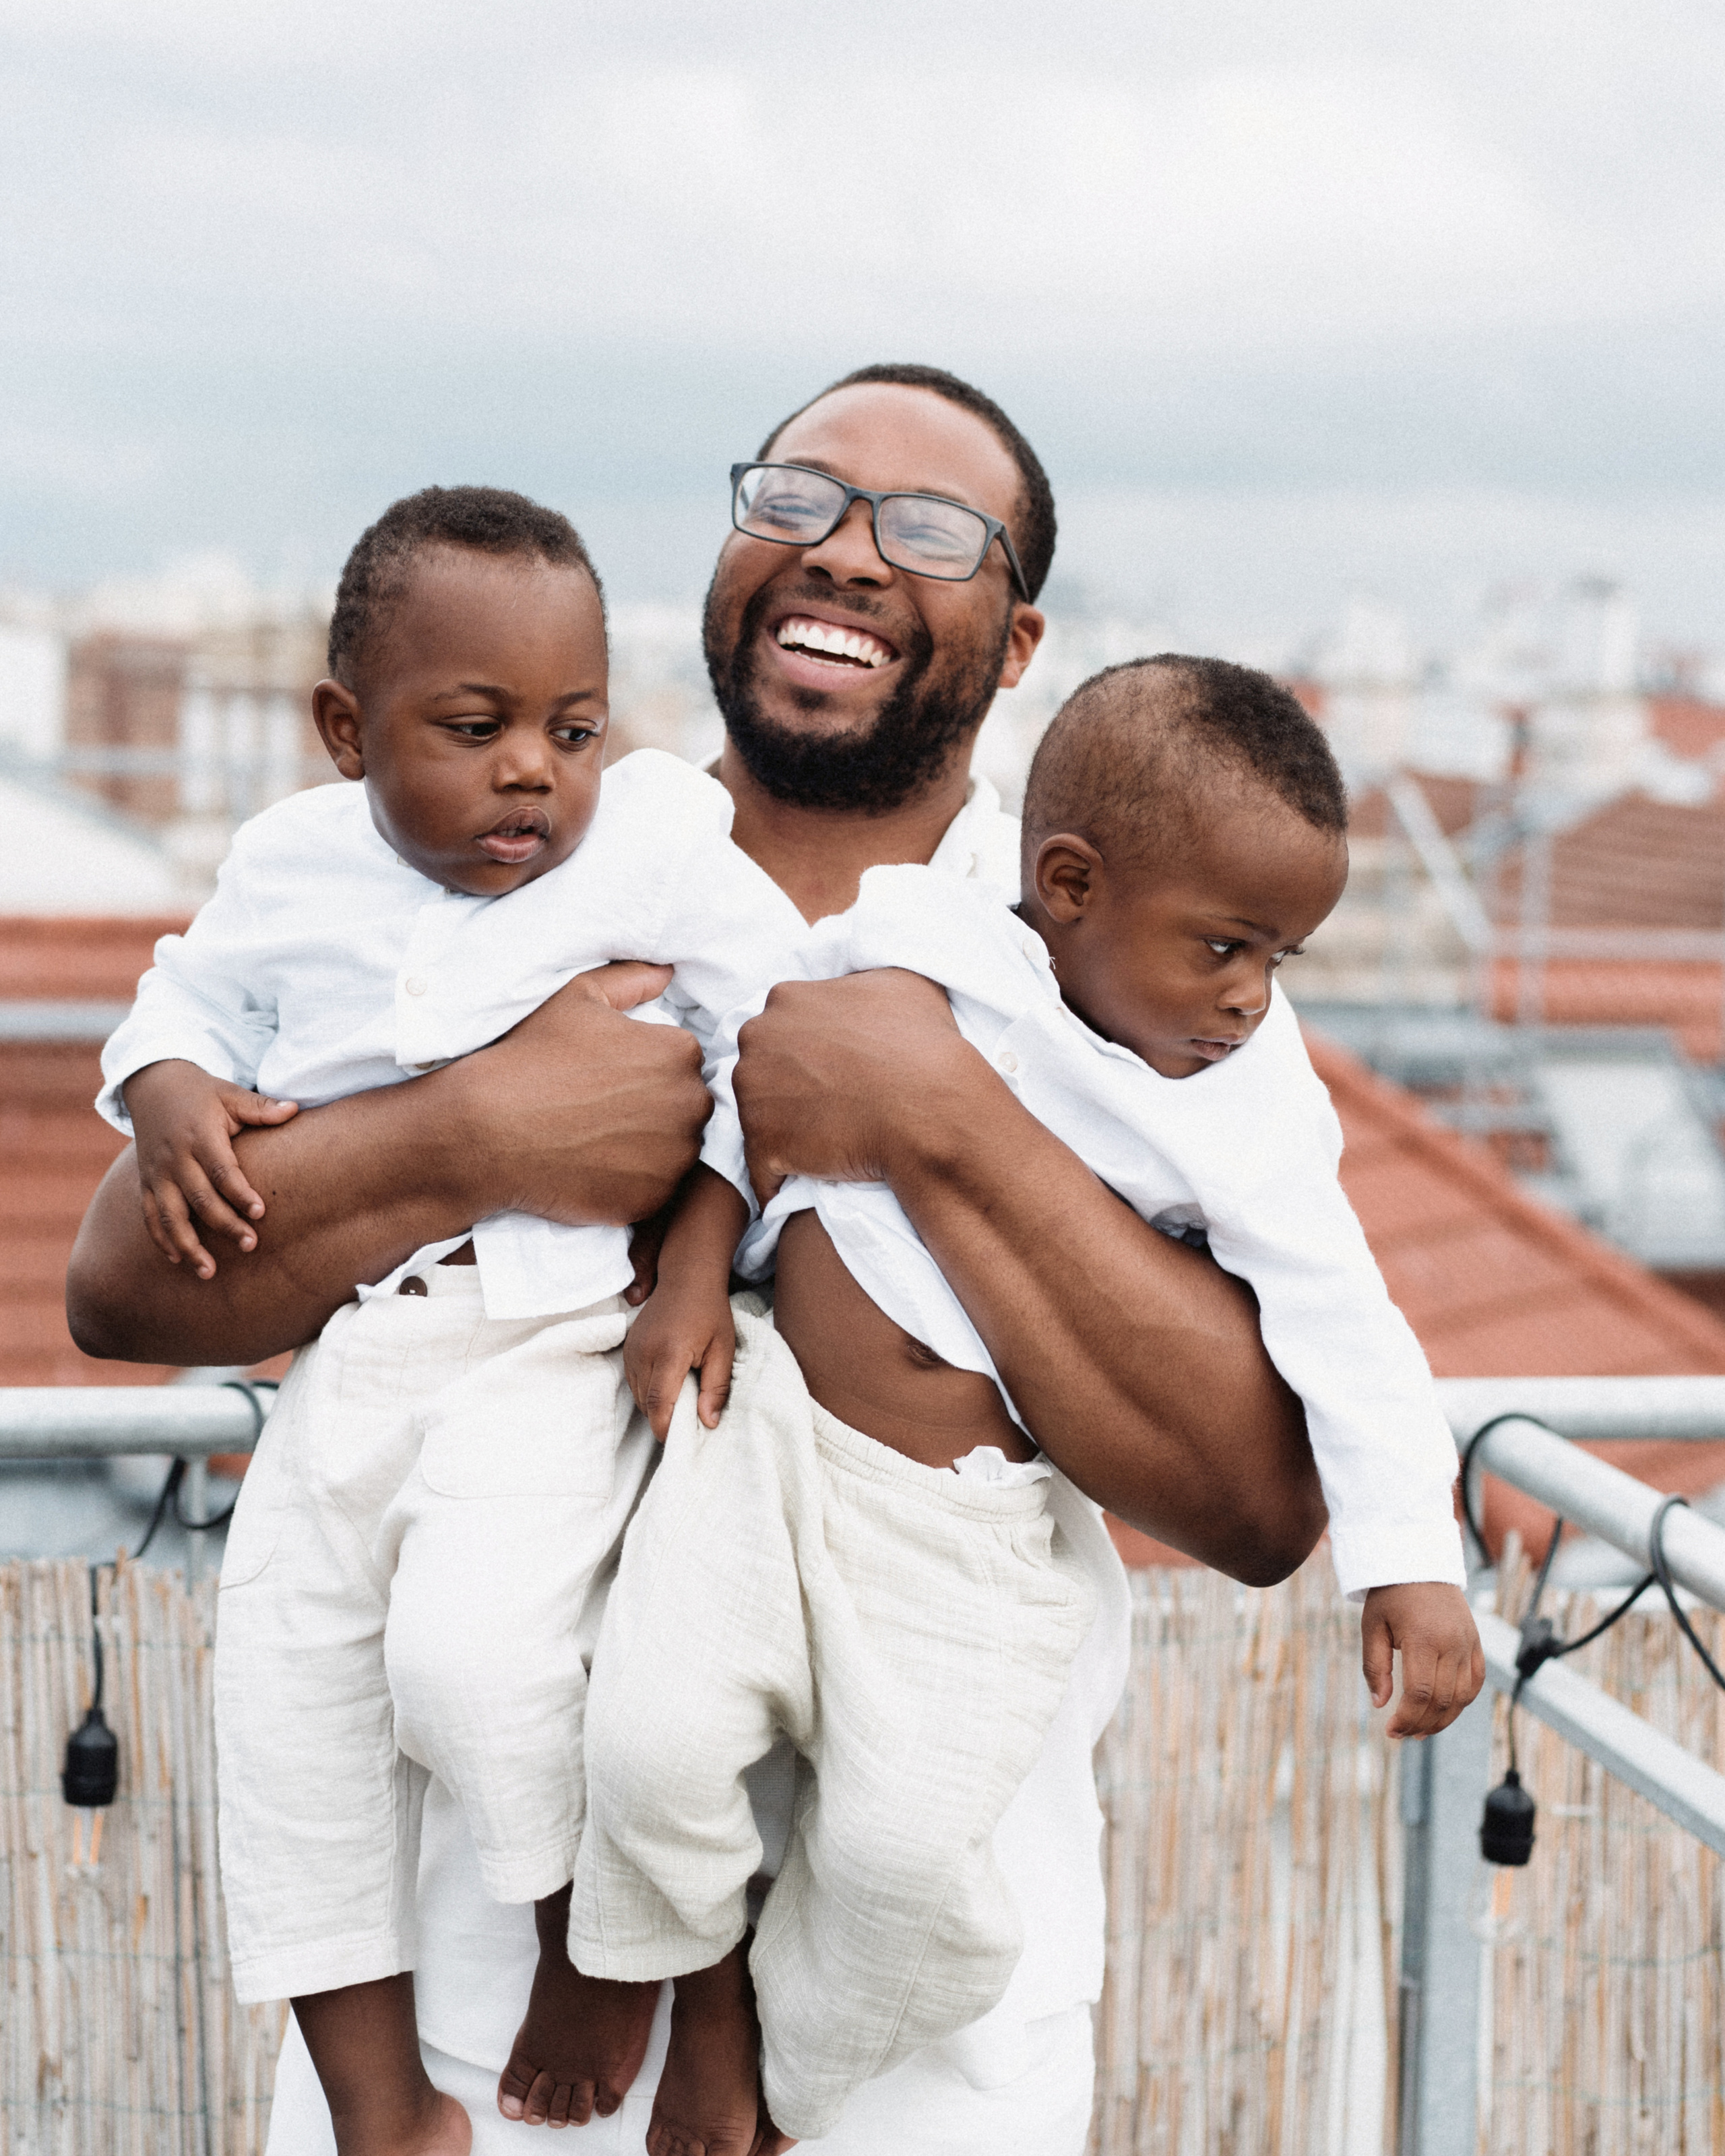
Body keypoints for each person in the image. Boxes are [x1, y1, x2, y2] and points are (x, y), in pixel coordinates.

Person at [67, 364, 1334, 2154]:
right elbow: (121, 1285)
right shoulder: (499, 846)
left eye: (930, 529)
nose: (848, 555)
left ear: (1022, 633)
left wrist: (936, 1121)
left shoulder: (1128, 943)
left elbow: (1266, 1503)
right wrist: (489, 1134)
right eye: (796, 498)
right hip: (477, 2020)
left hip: (899, 2044)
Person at [586, 654, 1482, 2149]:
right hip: (762, 1438)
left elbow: (1343, 1316)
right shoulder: (914, 931)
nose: (1251, 995)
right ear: (1064, 883)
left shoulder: (1239, 1092)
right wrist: (690, 1277)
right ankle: (682, 1992)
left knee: (897, 1856)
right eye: (1221, 947)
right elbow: (760, 1091)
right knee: (651, 1747)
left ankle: (791, 2069)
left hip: (964, 1528)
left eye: (1278, 958)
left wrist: (1413, 1558)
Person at [96, 484, 801, 2156]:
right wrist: (168, 1088)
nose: (529, 772)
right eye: (474, 728)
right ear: (347, 729)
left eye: (570, 725)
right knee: (284, 1699)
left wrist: (693, 1264)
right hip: (355, 1351)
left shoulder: (649, 846)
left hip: (554, 1341)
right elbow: (175, 996)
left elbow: (772, 1052)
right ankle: (380, 2107)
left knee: (476, 1663)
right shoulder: (284, 859)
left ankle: (599, 1950)